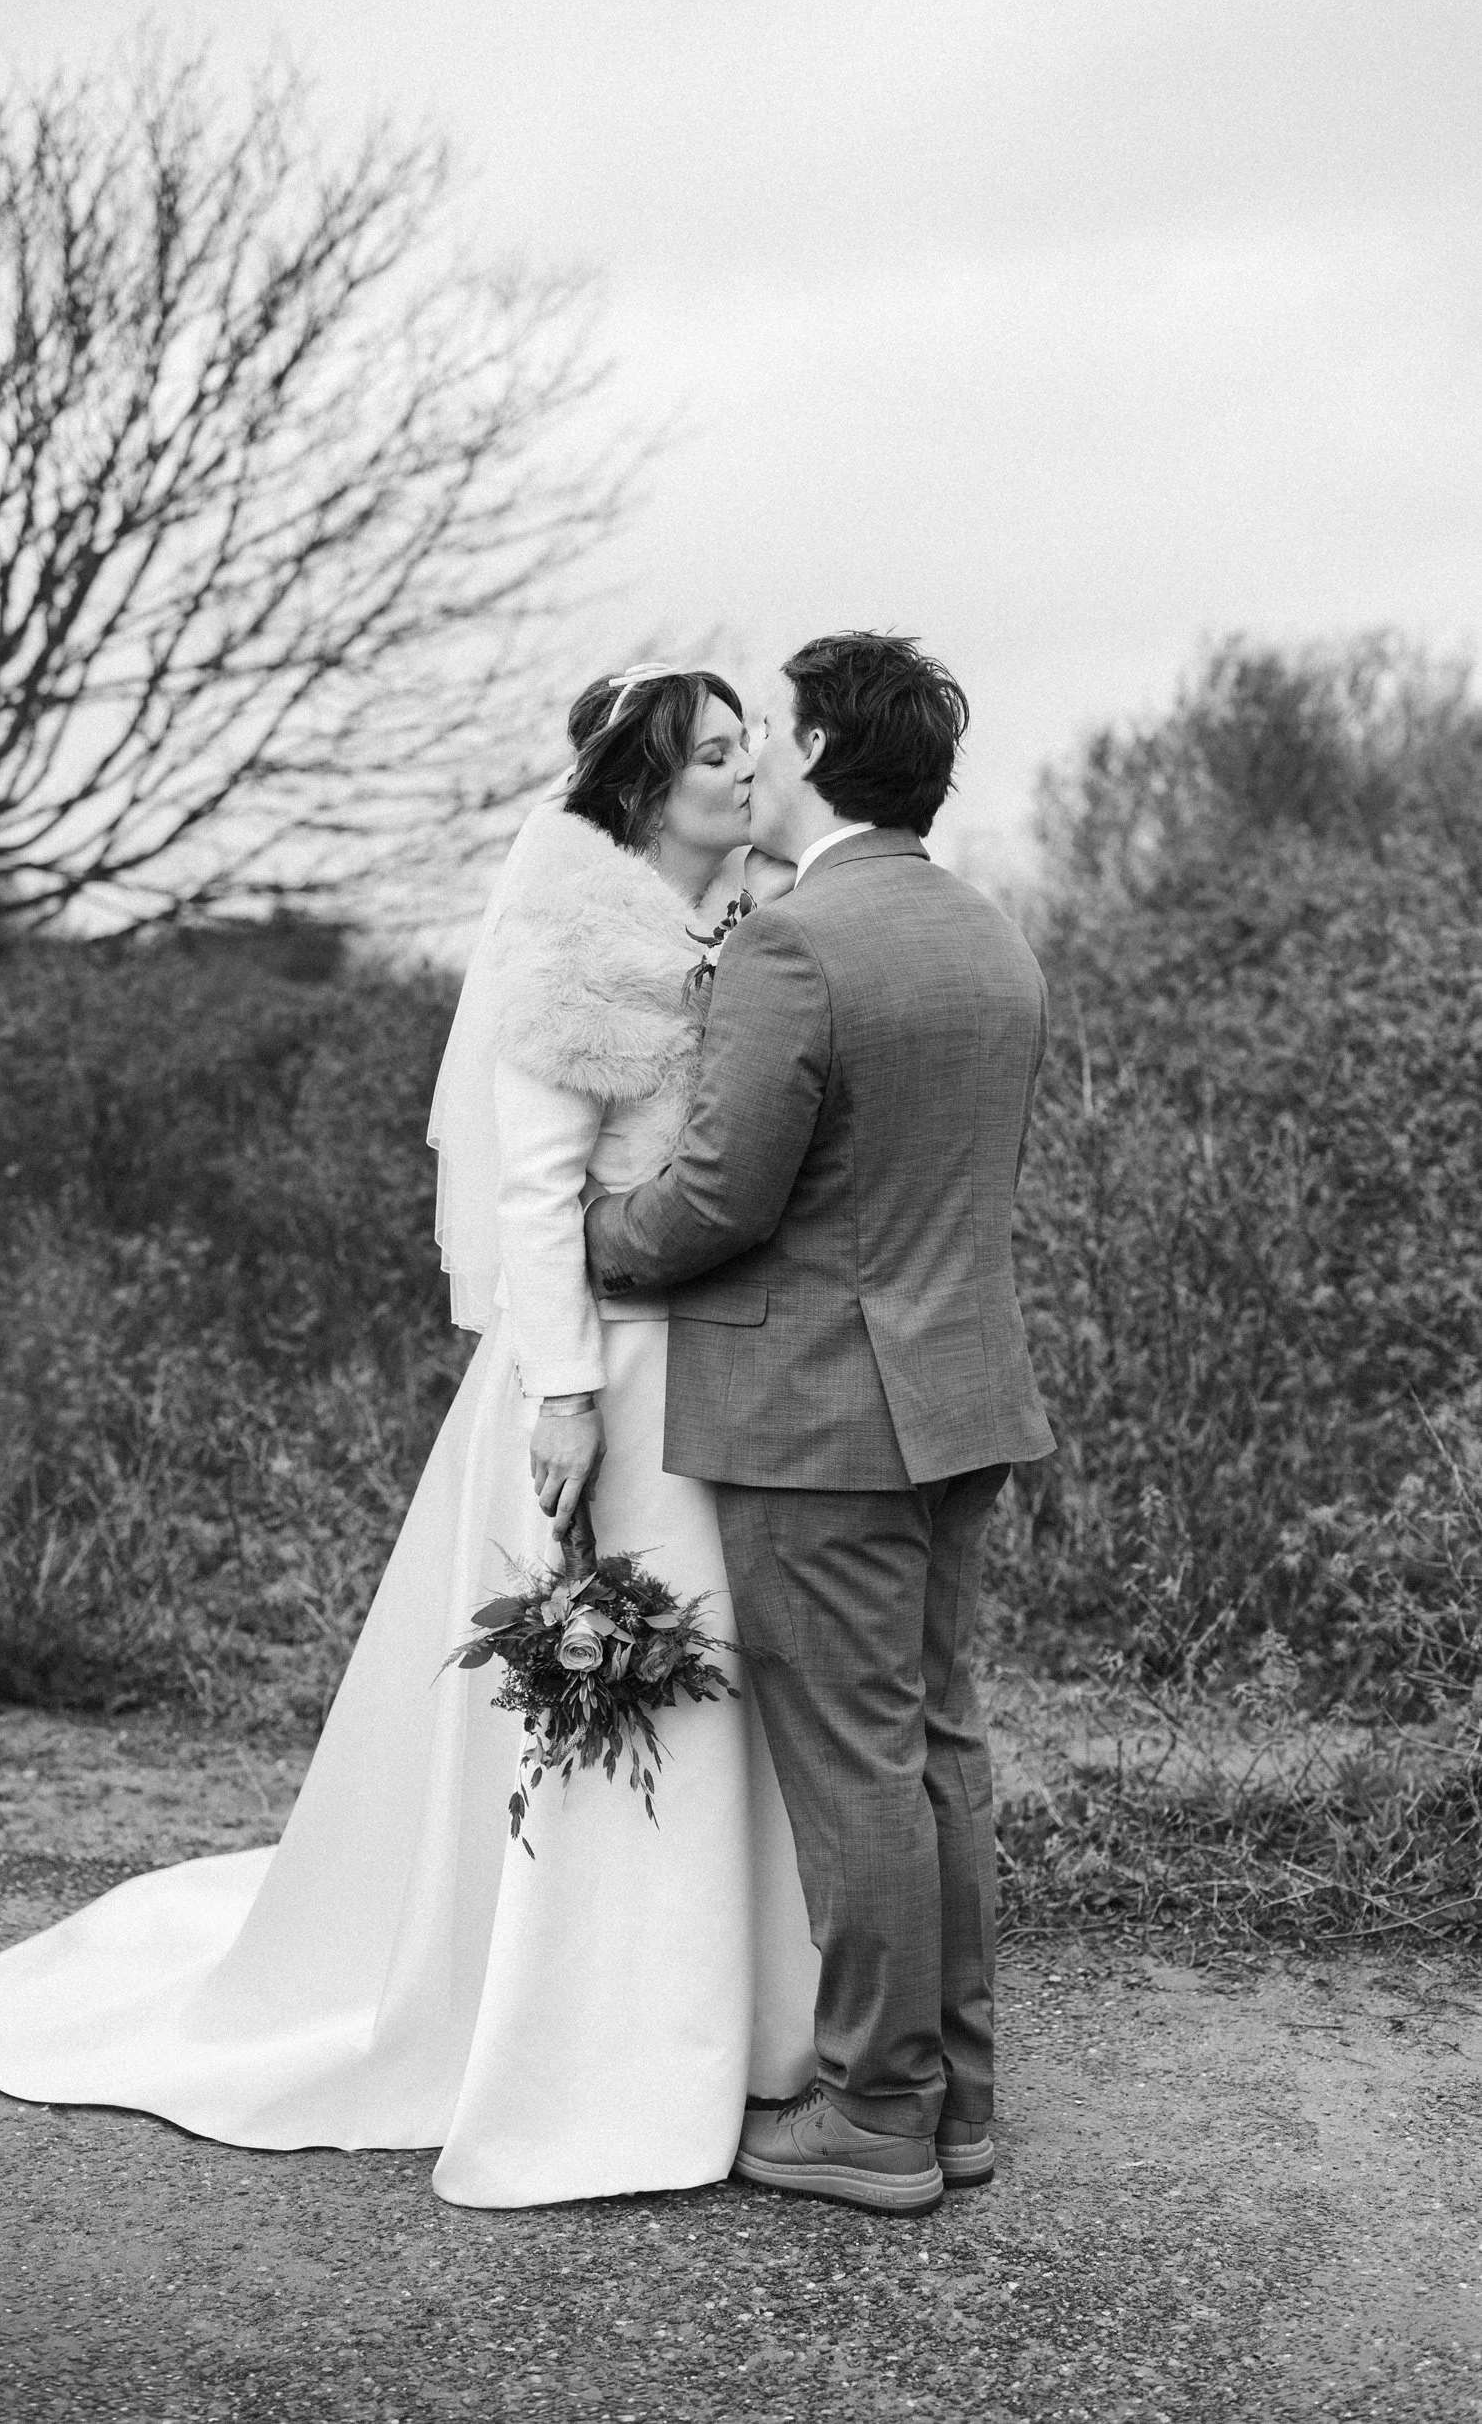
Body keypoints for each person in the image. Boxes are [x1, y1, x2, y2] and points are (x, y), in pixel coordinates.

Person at [0, 665, 822, 2210]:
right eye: (714, 758)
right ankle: (565, 2023)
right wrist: (566, 1388)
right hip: (603, 1371)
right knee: (612, 1671)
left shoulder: (750, 922)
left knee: (726, 1686)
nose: (747, 776)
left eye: (750, 751)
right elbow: (537, 1188)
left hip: (727, 1370)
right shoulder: (576, 945)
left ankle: (726, 2015)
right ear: (641, 788)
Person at [584, 632, 1055, 2212]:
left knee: (853, 1766)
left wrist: (592, 1236)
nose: (752, 765)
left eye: (770, 738)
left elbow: (720, 1195)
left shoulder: (799, 946)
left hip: (816, 1412)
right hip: (959, 1395)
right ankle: (957, 2102)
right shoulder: (989, 938)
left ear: (819, 754)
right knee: (935, 1751)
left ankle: (874, 2116)